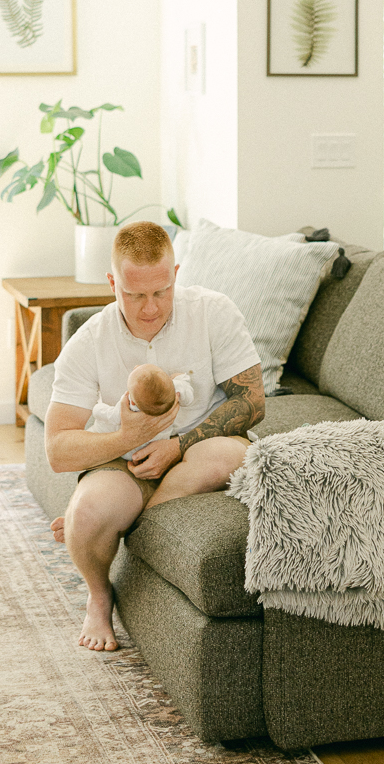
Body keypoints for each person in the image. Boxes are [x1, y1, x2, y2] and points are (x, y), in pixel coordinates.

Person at [45, 220, 264, 652]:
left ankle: (122, 529)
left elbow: (253, 403)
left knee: (221, 458)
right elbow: (57, 449)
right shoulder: (90, 341)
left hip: (201, 447)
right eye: (134, 295)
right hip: (126, 459)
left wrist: (177, 446)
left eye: (161, 292)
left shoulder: (213, 311)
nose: (150, 308)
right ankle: (99, 593)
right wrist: (127, 438)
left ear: (176, 275)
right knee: (89, 514)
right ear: (112, 283)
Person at [91, 363, 195, 452]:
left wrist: (97, 408)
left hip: (134, 450)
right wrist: (181, 378)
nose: (136, 366)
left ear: (131, 399)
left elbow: (112, 416)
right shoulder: (174, 388)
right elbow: (189, 398)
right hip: (161, 441)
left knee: (99, 431)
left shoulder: (129, 405)